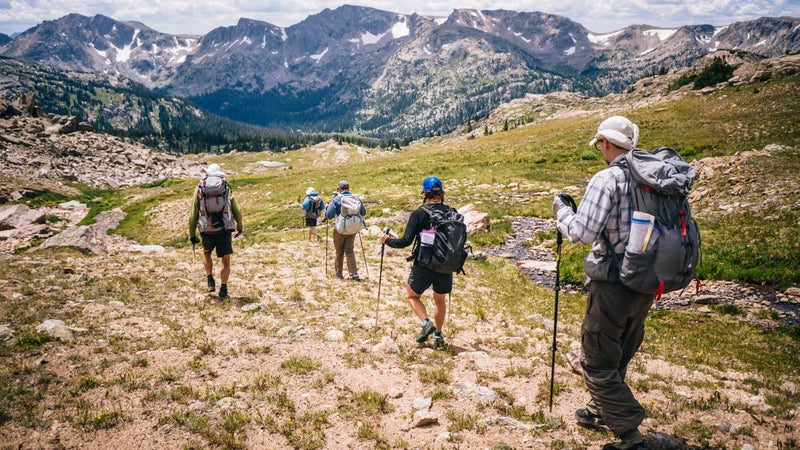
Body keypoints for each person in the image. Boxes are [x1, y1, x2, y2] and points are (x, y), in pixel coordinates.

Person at [552, 116, 650, 450]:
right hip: (648, 281)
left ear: (606, 143)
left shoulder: (607, 179)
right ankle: (598, 409)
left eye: (600, 145)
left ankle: (629, 435)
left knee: (595, 358)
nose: (600, 151)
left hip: (613, 282)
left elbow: (582, 232)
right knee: (622, 345)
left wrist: (562, 212)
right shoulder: (649, 178)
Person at [380, 176, 454, 348]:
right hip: (446, 264)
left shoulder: (419, 213)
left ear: (424, 193)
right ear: (441, 194)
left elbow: (405, 241)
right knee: (440, 301)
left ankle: (426, 322)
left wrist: (387, 240)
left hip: (424, 262)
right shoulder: (451, 212)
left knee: (413, 296)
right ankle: (438, 336)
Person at [188, 163, 243, 300]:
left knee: (206, 253)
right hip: (224, 229)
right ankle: (223, 289)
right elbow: (236, 209)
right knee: (226, 259)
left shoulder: (200, 188)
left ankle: (210, 279)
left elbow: (193, 214)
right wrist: (240, 226)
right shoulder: (225, 187)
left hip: (206, 229)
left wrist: (192, 234)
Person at [324, 180, 366, 281]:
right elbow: (363, 212)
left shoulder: (337, 199)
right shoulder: (356, 198)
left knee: (339, 251)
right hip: (353, 229)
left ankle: (339, 273)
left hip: (340, 229)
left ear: (339, 189)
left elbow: (328, 215)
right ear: (348, 188)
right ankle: (354, 274)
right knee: (349, 250)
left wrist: (327, 208)